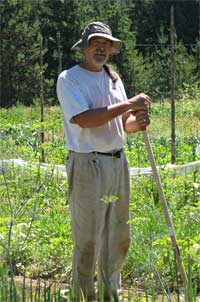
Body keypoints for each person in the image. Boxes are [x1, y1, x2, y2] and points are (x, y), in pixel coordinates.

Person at [56, 21, 150, 302]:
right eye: (96, 42)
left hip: (117, 162)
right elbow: (84, 119)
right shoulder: (69, 78)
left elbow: (123, 124)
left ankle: (111, 293)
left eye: (106, 43)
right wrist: (128, 104)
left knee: (118, 235)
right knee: (88, 238)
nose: (101, 47)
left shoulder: (113, 79)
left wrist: (138, 119)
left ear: (111, 49)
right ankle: (83, 296)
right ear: (84, 47)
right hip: (87, 164)